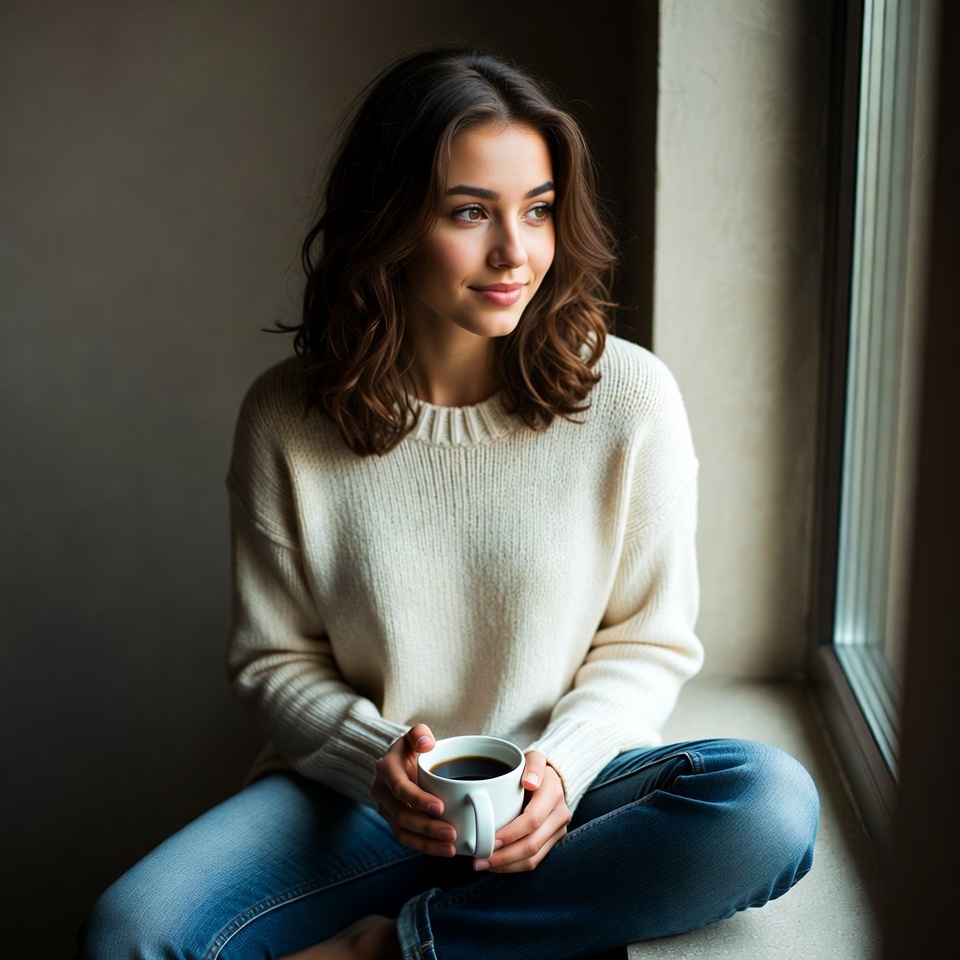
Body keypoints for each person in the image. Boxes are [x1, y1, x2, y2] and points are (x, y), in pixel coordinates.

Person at [75, 47, 819, 960]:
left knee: (767, 802)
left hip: (567, 793)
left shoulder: (630, 399)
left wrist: (560, 770)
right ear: (387, 221)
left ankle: (396, 950)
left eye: (538, 209)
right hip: (361, 804)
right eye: (470, 212)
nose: (516, 252)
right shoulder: (285, 417)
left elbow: (647, 641)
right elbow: (275, 659)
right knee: (129, 934)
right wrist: (378, 763)